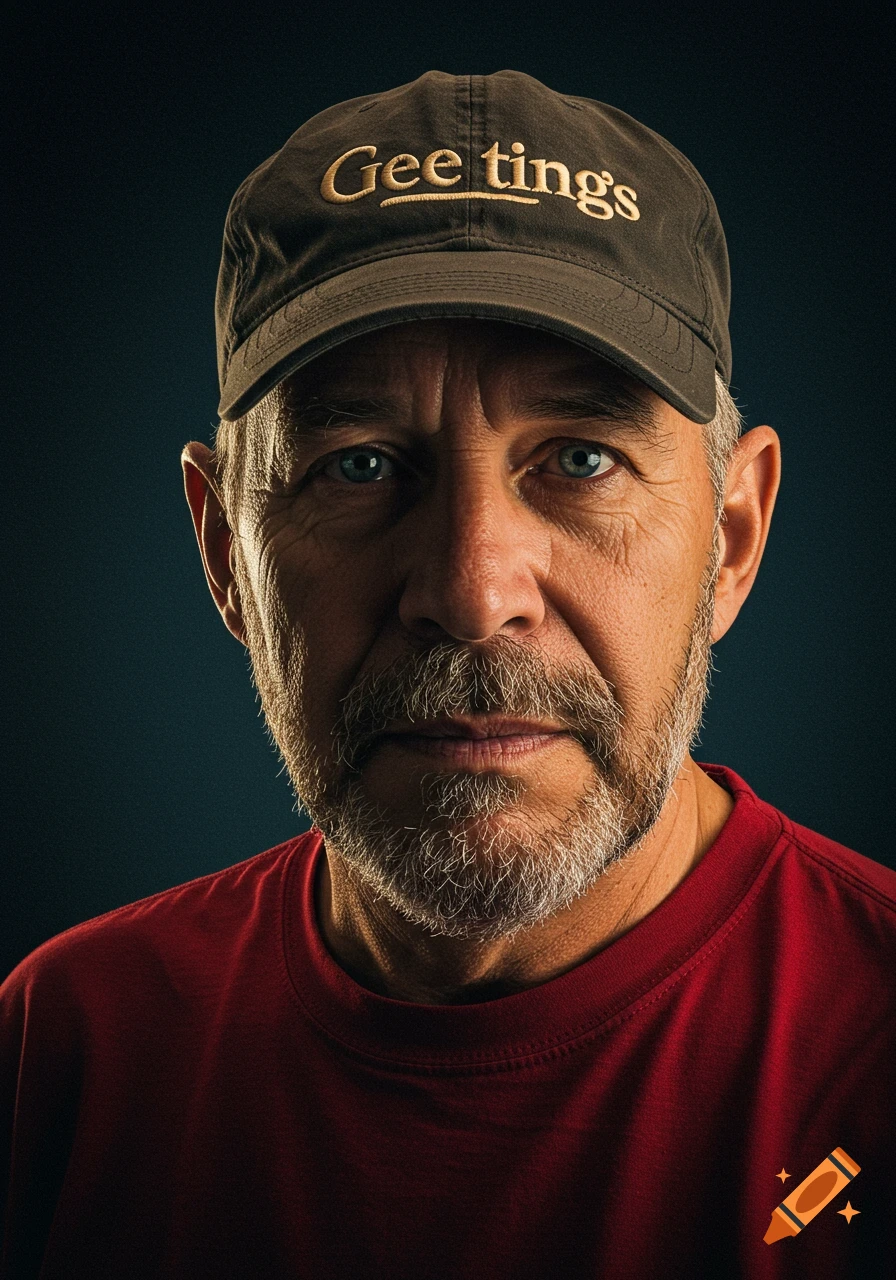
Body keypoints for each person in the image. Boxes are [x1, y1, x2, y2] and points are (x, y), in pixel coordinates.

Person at [1, 70, 893, 1280]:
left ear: (731, 537)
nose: (471, 595)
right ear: (225, 552)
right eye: (359, 466)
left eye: (579, 458)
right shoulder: (66, 1047)